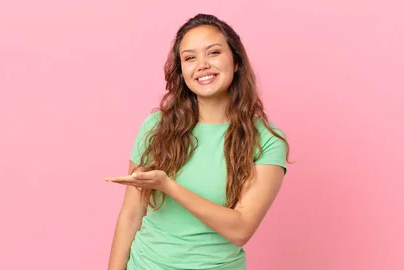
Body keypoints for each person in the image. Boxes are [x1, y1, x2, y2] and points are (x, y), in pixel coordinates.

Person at [104, 13, 291, 270]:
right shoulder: (157, 126)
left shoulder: (267, 142)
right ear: (182, 70)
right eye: (190, 58)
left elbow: (241, 229)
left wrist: (168, 186)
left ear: (236, 61)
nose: (201, 65)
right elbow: (131, 215)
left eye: (213, 53)